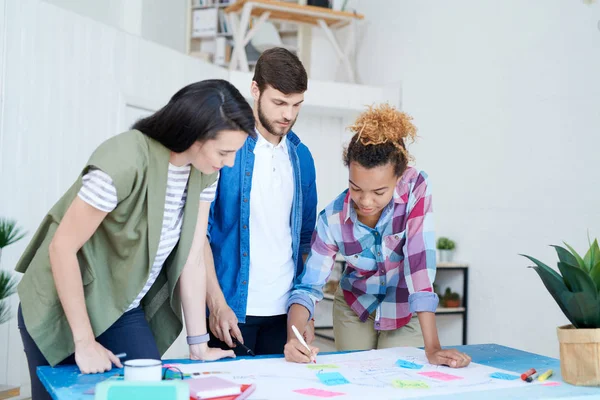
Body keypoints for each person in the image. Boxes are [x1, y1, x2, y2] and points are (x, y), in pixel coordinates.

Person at [14, 79, 256, 399]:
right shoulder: (125, 158)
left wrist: (198, 344)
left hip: (122, 307)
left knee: (148, 392)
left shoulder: (205, 173)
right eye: (224, 152)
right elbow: (62, 247)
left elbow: (193, 257)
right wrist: (84, 342)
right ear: (195, 134)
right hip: (61, 302)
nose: (229, 163)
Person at [284, 104, 471, 368]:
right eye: (355, 188)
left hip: (405, 308)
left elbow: (419, 267)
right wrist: (294, 337)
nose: (366, 201)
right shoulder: (332, 218)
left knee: (398, 379)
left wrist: (433, 348)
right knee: (358, 378)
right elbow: (308, 287)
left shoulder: (415, 188)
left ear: (399, 177)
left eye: (379, 192)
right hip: (355, 305)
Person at [206, 47, 318, 356]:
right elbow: (199, 234)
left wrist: (305, 311)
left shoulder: (302, 158)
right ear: (255, 90)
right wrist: (216, 304)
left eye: (297, 105)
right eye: (279, 102)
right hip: (230, 312)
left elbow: (308, 240)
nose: (288, 115)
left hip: (284, 316)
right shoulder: (226, 151)